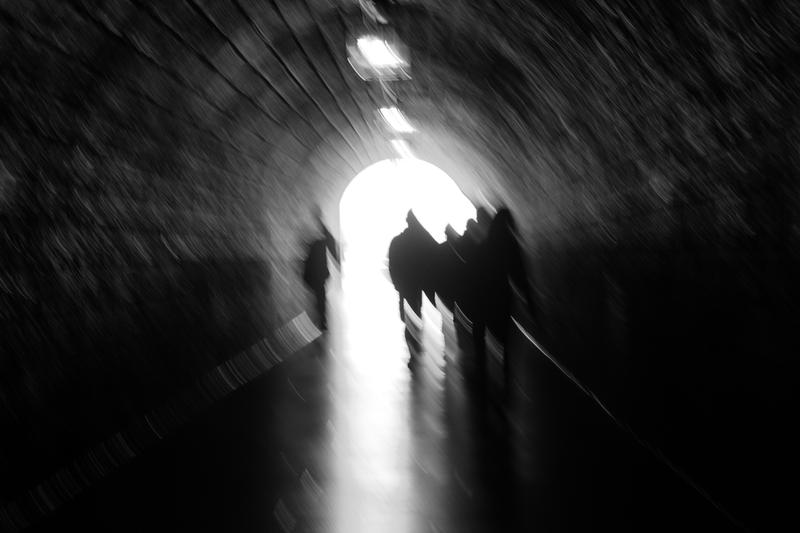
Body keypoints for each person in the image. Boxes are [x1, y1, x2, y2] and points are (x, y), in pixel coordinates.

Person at [477, 207, 536, 398]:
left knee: (489, 341)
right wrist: (531, 306)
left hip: (486, 301)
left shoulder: (485, 244)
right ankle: (504, 383)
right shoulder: (510, 244)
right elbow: (520, 277)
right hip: (503, 301)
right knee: (505, 344)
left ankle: (488, 379)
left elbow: (475, 275)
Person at [387, 210, 437, 321]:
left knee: (408, 316)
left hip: (405, 285)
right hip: (418, 284)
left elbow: (392, 265)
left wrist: (397, 284)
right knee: (417, 313)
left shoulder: (397, 241)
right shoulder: (423, 242)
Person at [302, 208, 340, 331]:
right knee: (320, 295)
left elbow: (306, 247)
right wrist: (337, 263)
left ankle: (321, 317)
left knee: (318, 295)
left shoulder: (311, 229)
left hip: (313, 271)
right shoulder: (322, 231)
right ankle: (322, 318)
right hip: (319, 271)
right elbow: (331, 244)